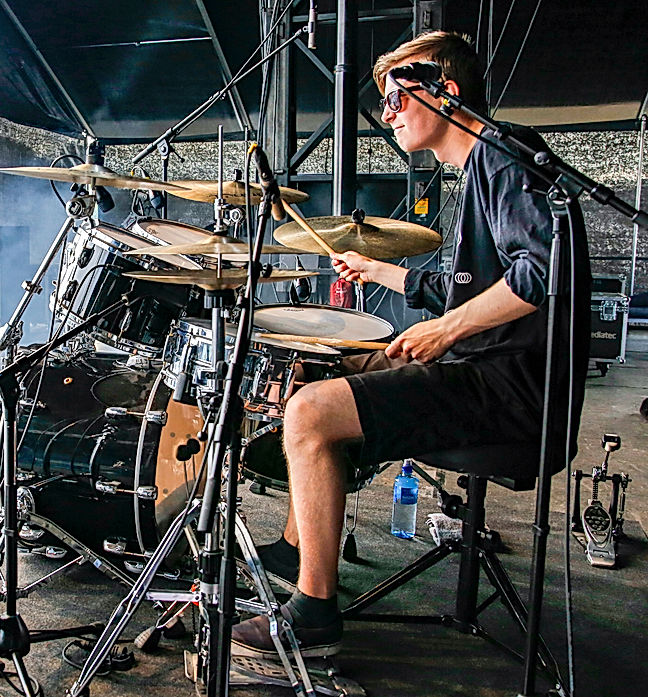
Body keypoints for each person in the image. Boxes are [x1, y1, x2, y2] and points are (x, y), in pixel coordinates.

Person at [229, 31, 591, 659]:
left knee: (309, 412)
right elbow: (462, 288)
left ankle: (313, 613)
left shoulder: (507, 155)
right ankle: (297, 543)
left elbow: (545, 274)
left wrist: (448, 330)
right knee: (326, 372)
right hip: (484, 370)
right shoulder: (481, 169)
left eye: (398, 96)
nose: (389, 112)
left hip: (509, 391)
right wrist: (378, 273)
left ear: (446, 93)